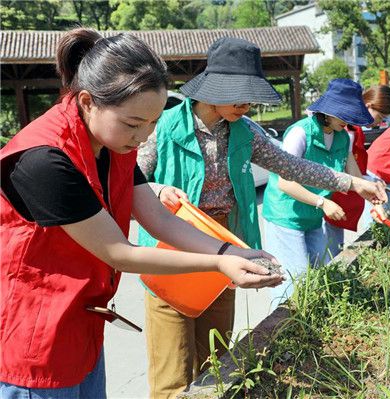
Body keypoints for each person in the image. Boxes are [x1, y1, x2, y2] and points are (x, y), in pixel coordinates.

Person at [0, 28, 283, 399]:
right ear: (87, 101)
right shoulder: (45, 161)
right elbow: (120, 252)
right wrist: (217, 265)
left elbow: (159, 219)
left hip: (79, 321)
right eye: (134, 124)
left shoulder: (113, 143)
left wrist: (230, 251)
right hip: (33, 335)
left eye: (152, 123)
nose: (144, 137)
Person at [136, 39, 387, 399]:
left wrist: (351, 182)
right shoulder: (165, 126)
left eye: (250, 96)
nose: (247, 104)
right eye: (238, 94)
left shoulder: (245, 131)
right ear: (212, 89)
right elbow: (131, 178)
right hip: (170, 250)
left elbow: (294, 167)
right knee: (171, 373)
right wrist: (159, 190)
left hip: (224, 251)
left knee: (217, 363)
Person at [262, 79, 384, 304]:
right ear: (327, 112)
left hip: (313, 216)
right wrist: (322, 202)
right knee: (293, 282)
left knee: (319, 277)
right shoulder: (300, 133)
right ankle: (284, 331)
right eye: (343, 115)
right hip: (286, 216)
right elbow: (284, 183)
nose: (347, 121)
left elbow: (355, 178)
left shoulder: (342, 137)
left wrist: (375, 191)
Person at [324, 85, 390, 257]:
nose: (379, 122)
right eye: (380, 116)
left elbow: (354, 167)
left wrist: (372, 183)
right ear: (369, 105)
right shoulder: (346, 130)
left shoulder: (354, 130)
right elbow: (340, 169)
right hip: (331, 195)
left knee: (335, 248)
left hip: (345, 193)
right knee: (328, 250)